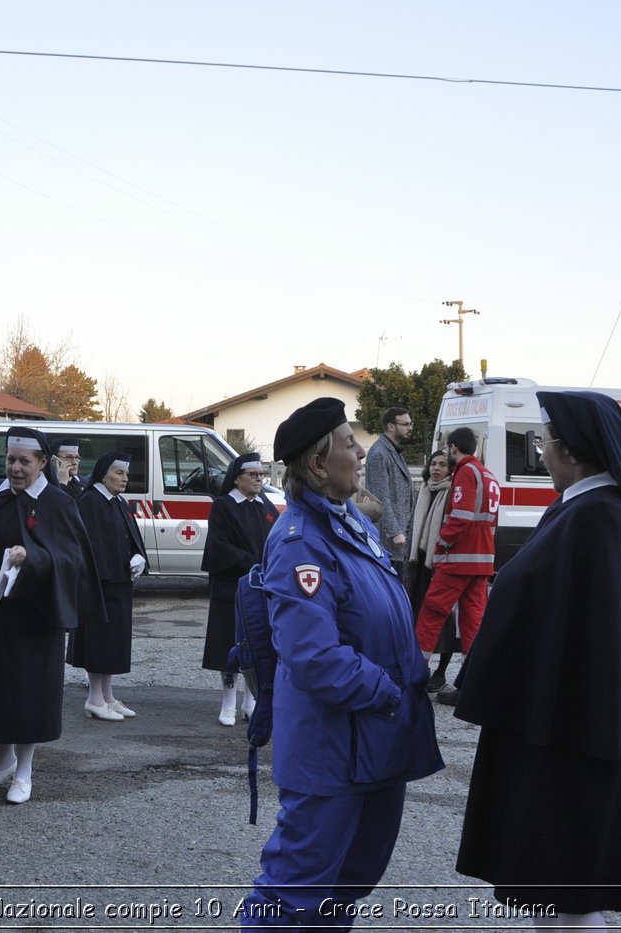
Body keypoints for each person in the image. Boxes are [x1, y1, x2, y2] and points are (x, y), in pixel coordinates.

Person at [454, 390, 621, 925]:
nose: (541, 453)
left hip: (567, 730)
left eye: (544, 441)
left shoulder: (597, 519)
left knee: (564, 895)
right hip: (560, 722)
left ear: (571, 448)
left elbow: (581, 634)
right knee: (555, 894)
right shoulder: (587, 509)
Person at [241, 398, 442, 929]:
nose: (360, 452)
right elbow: (315, 658)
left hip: (373, 741)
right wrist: (390, 690)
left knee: (349, 881)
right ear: (317, 464)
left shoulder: (350, 521)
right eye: (349, 443)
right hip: (332, 750)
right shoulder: (299, 542)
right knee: (295, 890)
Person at [0, 427, 98, 804]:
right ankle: (2, 762)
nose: (16, 468)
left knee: (27, 695)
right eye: (11, 460)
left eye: (25, 461)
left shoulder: (58, 502)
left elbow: (74, 559)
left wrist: (34, 557)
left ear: (42, 463)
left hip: (38, 617)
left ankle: (24, 770)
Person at [67, 451, 149, 719]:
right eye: (119, 473)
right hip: (100, 586)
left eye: (126, 473)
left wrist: (138, 556)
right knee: (99, 642)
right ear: (103, 473)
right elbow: (89, 547)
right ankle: (94, 699)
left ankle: (108, 696)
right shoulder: (90, 501)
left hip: (118, 584)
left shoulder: (117, 501)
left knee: (113, 643)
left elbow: (130, 536)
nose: (125, 478)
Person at [201, 452, 278, 726]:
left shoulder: (264, 505)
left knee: (255, 644)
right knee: (228, 646)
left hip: (258, 589)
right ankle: (228, 702)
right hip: (231, 586)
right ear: (237, 478)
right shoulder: (223, 505)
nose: (259, 479)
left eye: (261, 475)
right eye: (253, 475)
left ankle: (250, 700)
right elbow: (218, 547)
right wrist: (252, 562)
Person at [414, 427, 497, 660]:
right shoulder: (488, 475)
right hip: (482, 561)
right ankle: (469, 681)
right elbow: (491, 522)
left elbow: (461, 516)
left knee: (432, 611)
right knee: (473, 619)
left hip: (458, 560)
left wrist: (441, 544)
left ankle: (416, 674)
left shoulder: (465, 472)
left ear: (453, 448)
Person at [407, 451, 458, 696]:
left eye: (442, 464)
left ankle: (441, 672)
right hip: (419, 563)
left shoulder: (452, 493)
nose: (436, 468)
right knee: (419, 617)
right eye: (433, 463)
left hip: (440, 564)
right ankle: (421, 669)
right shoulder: (425, 490)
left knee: (445, 620)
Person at [364, 407, 415, 584]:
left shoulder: (392, 451)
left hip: (398, 540)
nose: (410, 428)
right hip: (389, 542)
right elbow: (380, 497)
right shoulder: (380, 453)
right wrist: (395, 532)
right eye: (406, 424)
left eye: (411, 424)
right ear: (391, 426)